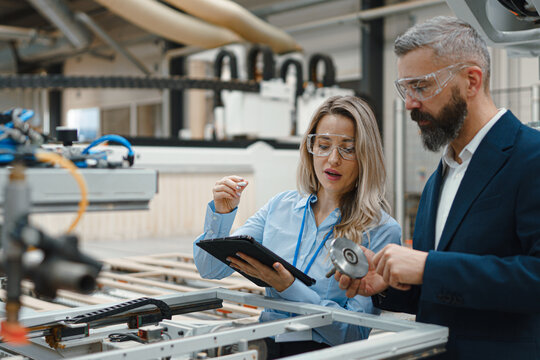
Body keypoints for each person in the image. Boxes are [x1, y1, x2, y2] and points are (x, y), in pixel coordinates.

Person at [336, 16, 540, 360]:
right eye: (405, 89)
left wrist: (429, 267)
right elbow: (441, 294)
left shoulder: (530, 157)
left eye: (422, 86)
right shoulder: (439, 178)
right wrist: (387, 284)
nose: (409, 104)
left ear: (471, 81)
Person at [193, 95, 401, 359]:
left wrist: (288, 286)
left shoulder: (381, 229)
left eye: (347, 148)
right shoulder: (280, 207)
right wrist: (222, 214)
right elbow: (210, 267)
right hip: (266, 347)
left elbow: (354, 333)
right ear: (310, 148)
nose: (333, 159)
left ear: (365, 155)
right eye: (324, 145)